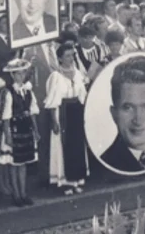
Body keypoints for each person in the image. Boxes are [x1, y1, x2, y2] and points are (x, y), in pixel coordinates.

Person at [46, 42, 89, 193]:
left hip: (76, 111)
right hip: (63, 113)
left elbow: (82, 95)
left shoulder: (77, 73)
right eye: (68, 56)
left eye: (73, 55)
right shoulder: (55, 76)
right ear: (60, 58)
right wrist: (54, 121)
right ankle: (66, 182)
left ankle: (77, 179)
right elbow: (52, 101)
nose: (71, 58)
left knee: (77, 145)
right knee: (64, 146)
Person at [0, 58, 39, 207]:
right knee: (14, 164)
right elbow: (5, 117)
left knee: (23, 164)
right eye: (17, 74)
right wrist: (8, 135)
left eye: (23, 74)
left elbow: (32, 111)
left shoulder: (28, 91)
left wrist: (35, 130)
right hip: (14, 129)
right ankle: (16, 194)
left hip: (26, 127)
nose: (20, 77)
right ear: (12, 75)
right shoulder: (8, 92)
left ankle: (23, 193)